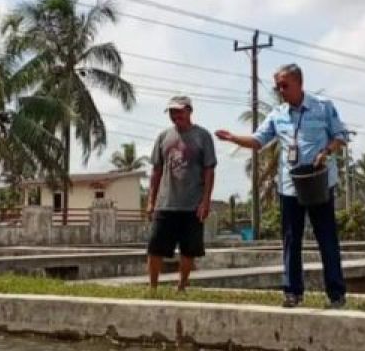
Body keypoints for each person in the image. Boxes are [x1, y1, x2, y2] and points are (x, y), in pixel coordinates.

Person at [216, 64, 349, 309]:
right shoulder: (277, 114)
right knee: (291, 239)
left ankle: (336, 293)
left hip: (319, 183)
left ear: (299, 82)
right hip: (290, 186)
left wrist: (327, 151)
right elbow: (258, 141)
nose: (280, 90)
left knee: (327, 238)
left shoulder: (323, 106)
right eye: (278, 86)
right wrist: (233, 138)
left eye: (285, 85)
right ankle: (292, 292)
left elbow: (341, 135)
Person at [146, 95, 217, 292]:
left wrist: (205, 202)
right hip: (166, 202)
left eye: (179, 111)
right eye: (171, 112)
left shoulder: (202, 136)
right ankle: (152, 287)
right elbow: (156, 171)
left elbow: (209, 170)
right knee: (155, 247)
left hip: (192, 204)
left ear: (189, 111)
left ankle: (182, 286)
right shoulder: (163, 137)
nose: (175, 116)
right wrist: (151, 201)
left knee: (188, 249)